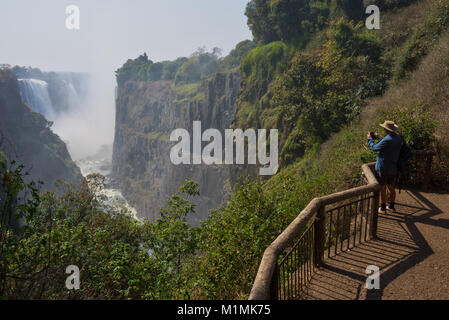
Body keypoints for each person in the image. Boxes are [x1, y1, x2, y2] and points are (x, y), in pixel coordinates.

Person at [367, 120, 402, 214]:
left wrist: (370, 139)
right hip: (393, 168)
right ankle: (391, 207)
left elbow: (374, 148)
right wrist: (379, 138)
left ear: (386, 129)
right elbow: (386, 144)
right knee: (391, 187)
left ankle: (382, 208)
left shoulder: (387, 140)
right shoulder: (398, 138)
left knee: (382, 188)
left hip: (383, 168)